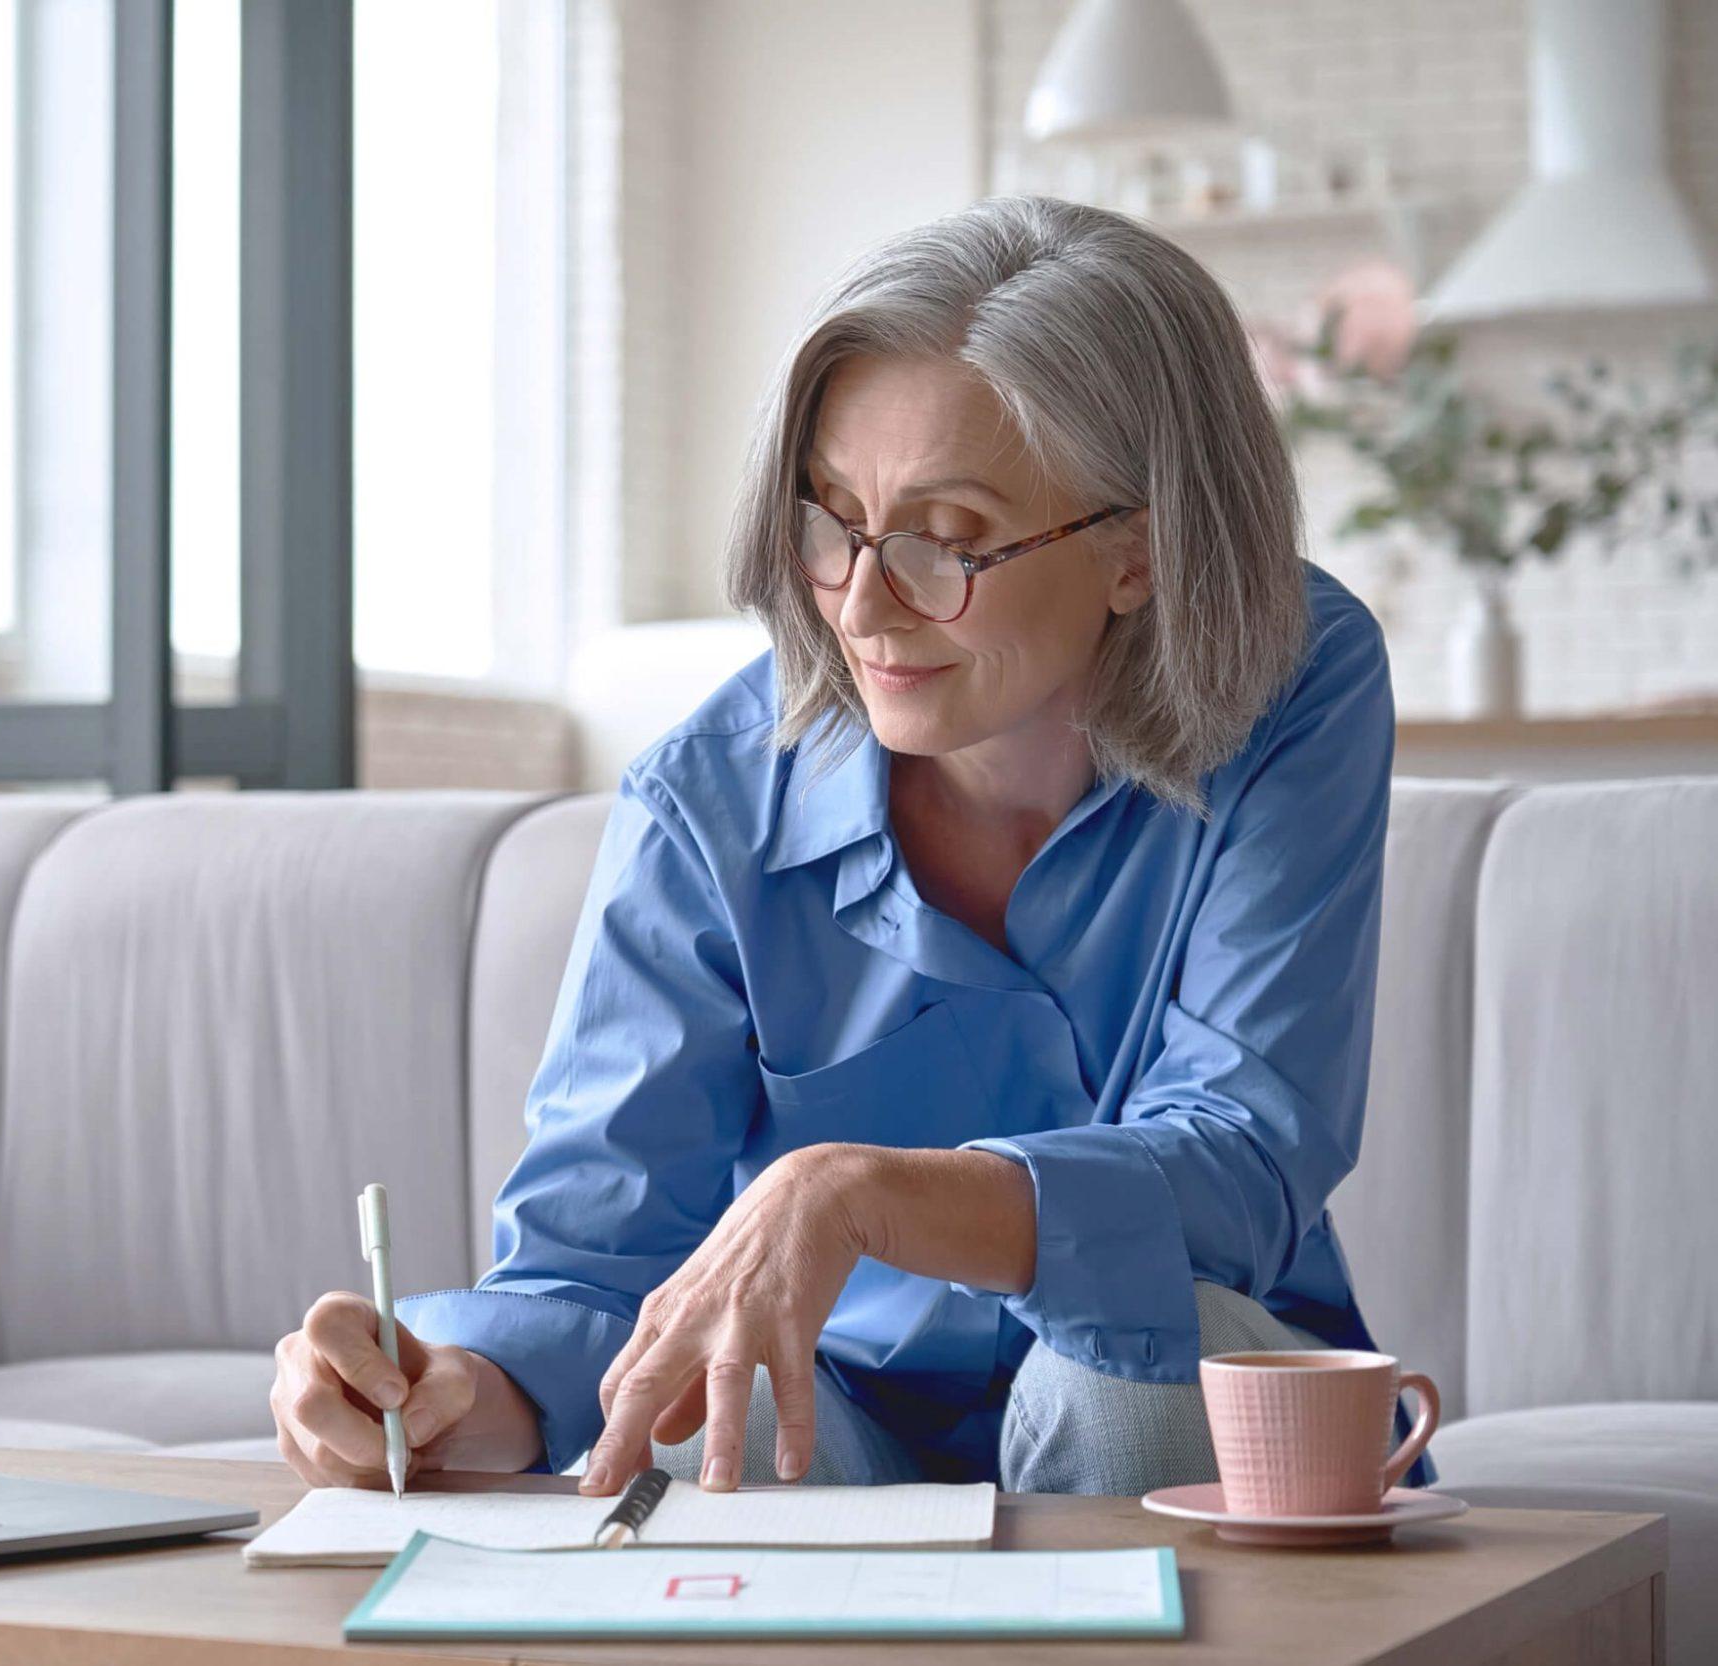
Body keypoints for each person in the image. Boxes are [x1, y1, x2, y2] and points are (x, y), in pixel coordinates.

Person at [268, 193, 1433, 1500]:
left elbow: (1242, 1154)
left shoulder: (1295, 678)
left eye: (947, 538)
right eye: (830, 519)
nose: (863, 605)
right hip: (842, 1414)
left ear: (1137, 552)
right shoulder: (706, 797)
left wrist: (861, 1191)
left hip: (1166, 1386)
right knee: (700, 1402)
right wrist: (441, 1396)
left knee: (1126, 1365)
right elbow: (594, 1269)